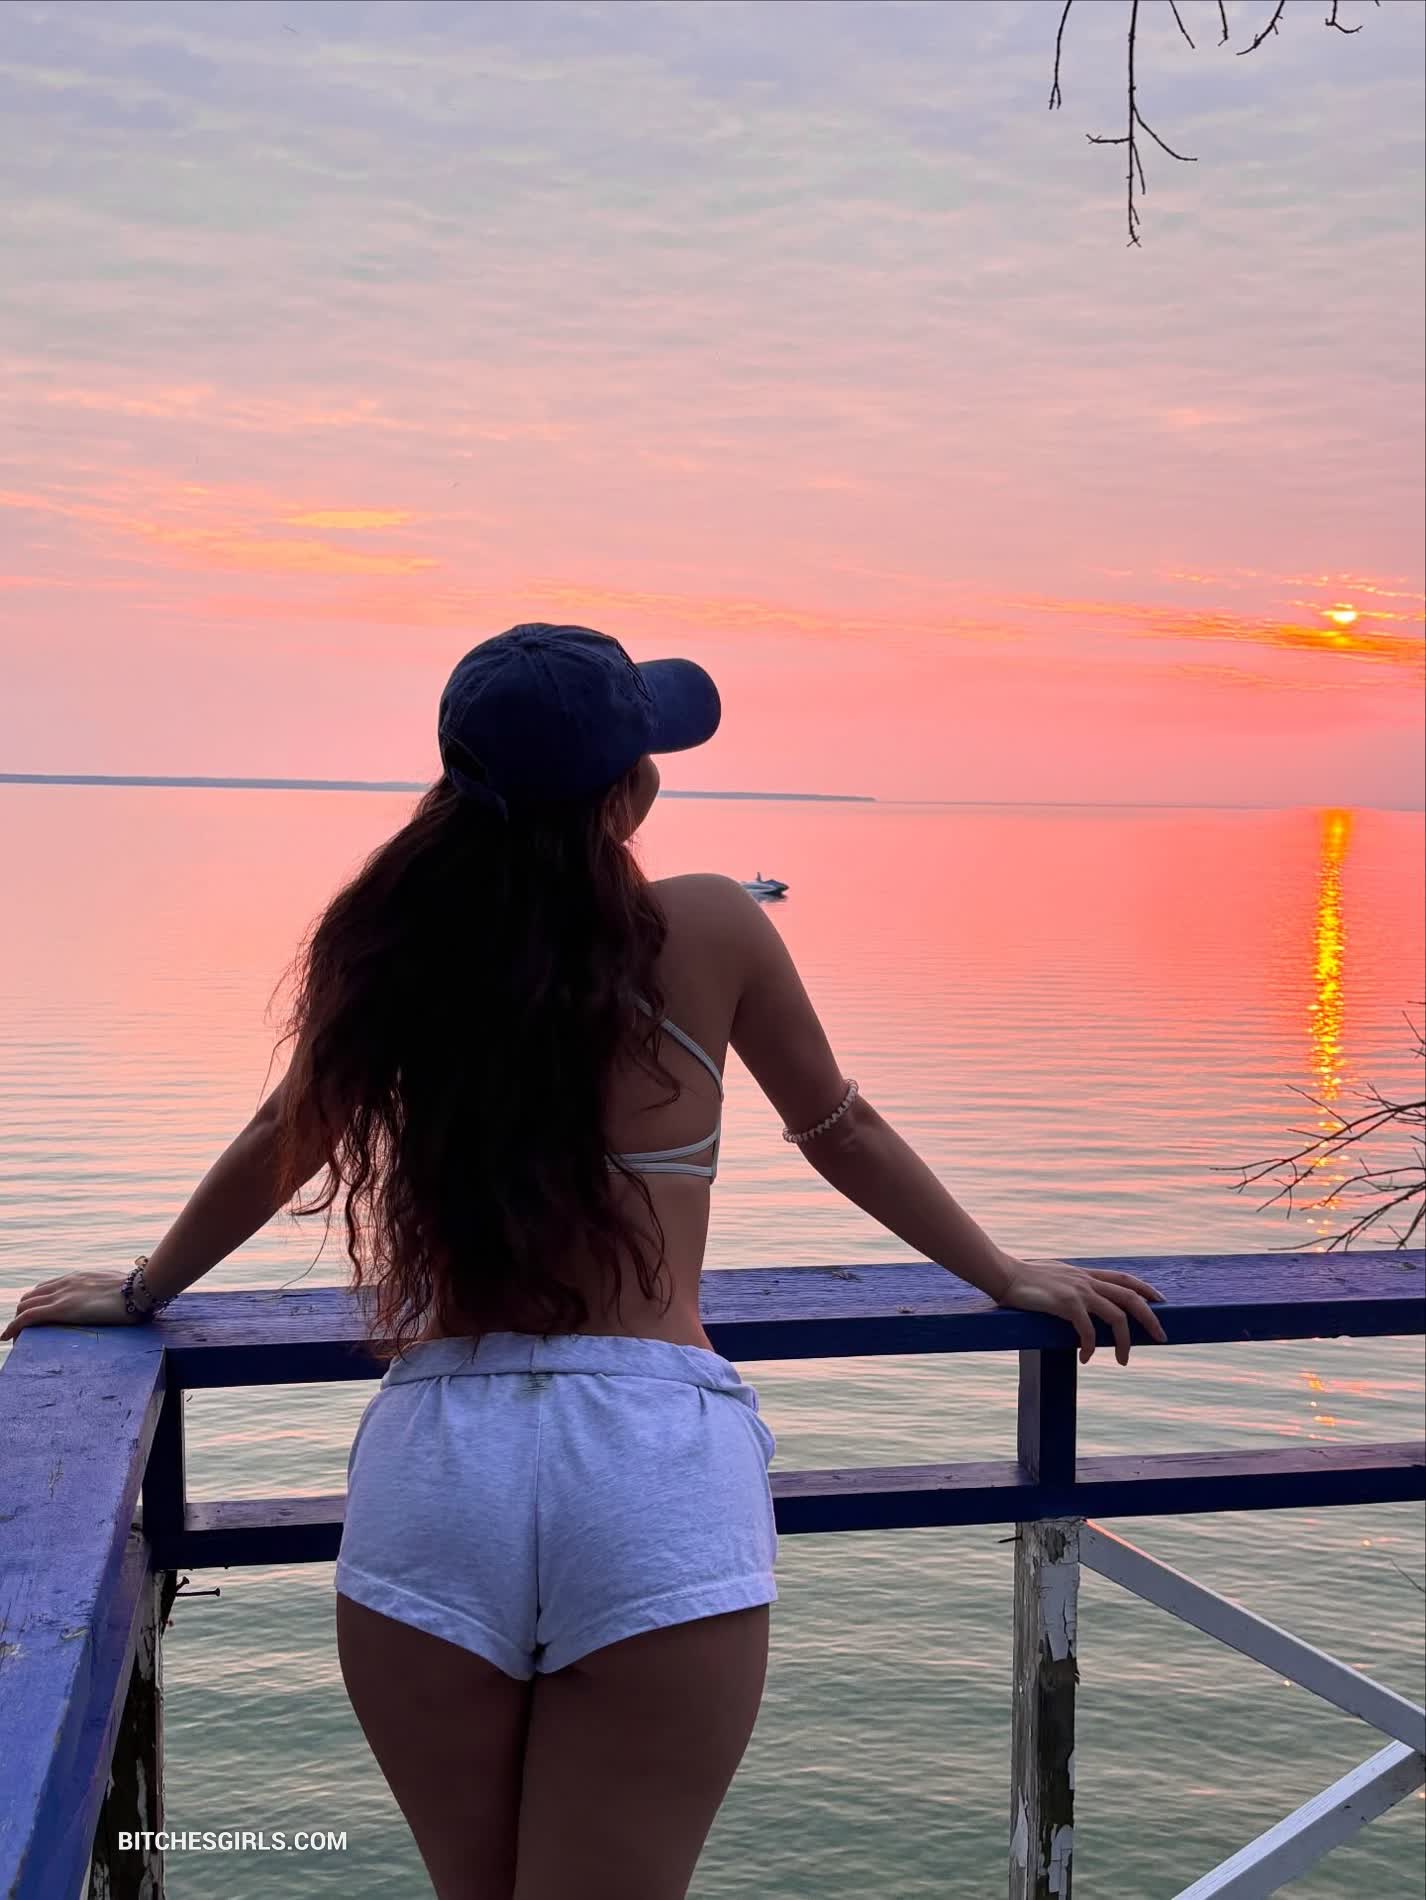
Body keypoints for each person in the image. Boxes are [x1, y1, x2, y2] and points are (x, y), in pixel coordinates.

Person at [2, 622, 1167, 1900]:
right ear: (630, 788)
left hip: (440, 1466)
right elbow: (841, 1127)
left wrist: (146, 1290)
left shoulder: (399, 940)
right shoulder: (712, 923)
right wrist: (1001, 1274)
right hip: (651, 1463)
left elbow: (284, 1139)